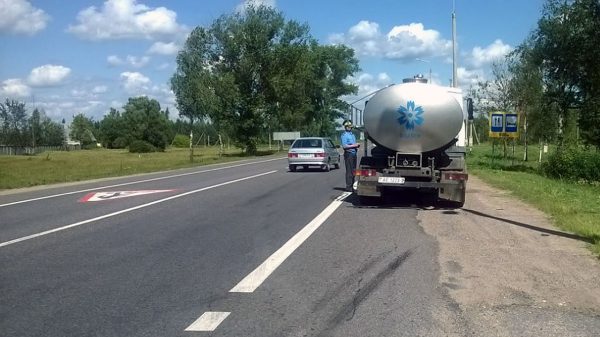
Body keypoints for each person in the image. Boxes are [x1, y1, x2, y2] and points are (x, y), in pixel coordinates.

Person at [340, 120, 360, 192]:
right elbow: (344, 146)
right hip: (349, 154)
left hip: (354, 153)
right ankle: (349, 186)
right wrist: (354, 145)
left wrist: (356, 145)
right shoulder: (344, 135)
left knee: (354, 171)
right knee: (349, 171)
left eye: (350, 127)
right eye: (348, 127)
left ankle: (352, 185)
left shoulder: (352, 135)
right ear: (345, 127)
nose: (349, 128)